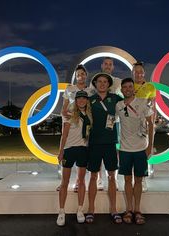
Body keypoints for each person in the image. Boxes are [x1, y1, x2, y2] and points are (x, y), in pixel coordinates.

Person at [116, 78, 154, 225]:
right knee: (126, 180)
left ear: (134, 88)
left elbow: (151, 124)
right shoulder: (118, 105)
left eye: (130, 86)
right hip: (125, 149)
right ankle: (129, 210)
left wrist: (150, 146)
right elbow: (112, 124)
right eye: (124, 87)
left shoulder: (143, 103)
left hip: (140, 148)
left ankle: (137, 210)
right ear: (121, 89)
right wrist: (116, 147)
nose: (127, 89)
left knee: (138, 180)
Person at [86, 72, 123, 224]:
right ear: (95, 84)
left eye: (105, 81)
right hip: (94, 143)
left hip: (110, 143)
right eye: (99, 81)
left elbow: (131, 103)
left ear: (109, 84)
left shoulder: (115, 98)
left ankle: (114, 209)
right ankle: (91, 209)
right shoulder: (90, 100)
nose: (102, 84)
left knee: (111, 177)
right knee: (93, 176)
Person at [56, 91, 93, 226]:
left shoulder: (89, 115)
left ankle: (80, 210)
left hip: (83, 150)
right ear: (76, 100)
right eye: (79, 98)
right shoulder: (69, 114)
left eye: (84, 98)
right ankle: (61, 211)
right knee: (64, 182)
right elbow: (64, 136)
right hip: (69, 150)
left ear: (87, 100)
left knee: (82, 181)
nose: (82, 100)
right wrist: (61, 152)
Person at [58, 64, 93, 192]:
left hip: (85, 124)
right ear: (75, 76)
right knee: (65, 145)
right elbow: (64, 107)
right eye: (78, 74)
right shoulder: (69, 88)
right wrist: (66, 116)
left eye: (83, 74)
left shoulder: (90, 91)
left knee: (82, 150)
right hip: (71, 121)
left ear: (86, 75)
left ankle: (79, 182)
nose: (80, 76)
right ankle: (63, 182)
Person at [90, 57, 122, 190]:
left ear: (113, 67)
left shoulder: (119, 81)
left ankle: (113, 179)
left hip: (114, 121)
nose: (108, 66)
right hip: (98, 121)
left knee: (114, 151)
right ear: (102, 65)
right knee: (98, 151)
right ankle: (99, 179)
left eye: (110, 64)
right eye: (106, 64)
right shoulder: (95, 81)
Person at [132, 61, 156, 191]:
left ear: (144, 73)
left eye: (141, 71)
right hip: (130, 123)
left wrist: (154, 120)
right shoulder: (128, 85)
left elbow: (153, 105)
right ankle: (132, 179)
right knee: (131, 151)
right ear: (132, 73)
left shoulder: (150, 87)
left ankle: (142, 179)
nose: (139, 74)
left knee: (144, 151)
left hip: (144, 123)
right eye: (136, 72)